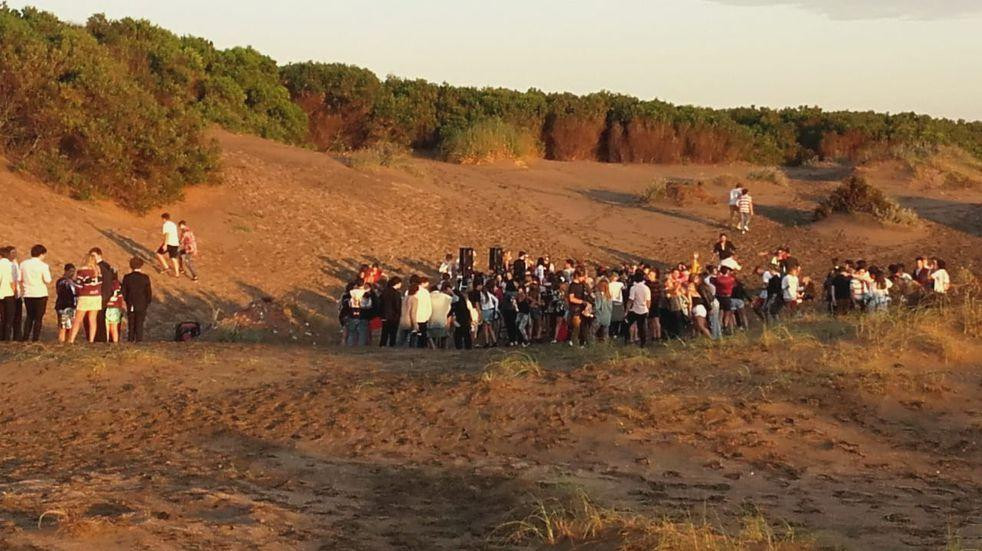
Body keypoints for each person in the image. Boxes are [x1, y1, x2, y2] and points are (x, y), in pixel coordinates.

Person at [19, 244, 52, 342]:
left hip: (28, 293)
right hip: (40, 294)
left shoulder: (23, 264)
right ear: (41, 254)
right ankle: (35, 338)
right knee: (38, 318)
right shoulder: (43, 265)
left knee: (29, 316)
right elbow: (48, 280)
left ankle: (25, 337)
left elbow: (20, 278)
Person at [69, 252, 103, 344]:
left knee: (78, 320)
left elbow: (79, 286)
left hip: (85, 296)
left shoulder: (82, 271)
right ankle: (91, 340)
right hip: (96, 296)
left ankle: (71, 340)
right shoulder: (98, 272)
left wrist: (74, 285)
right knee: (92, 319)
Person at [121, 257, 153, 342]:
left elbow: (124, 291)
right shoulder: (145, 277)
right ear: (141, 266)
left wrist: (126, 300)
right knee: (140, 323)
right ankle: (139, 340)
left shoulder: (127, 277)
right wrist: (147, 302)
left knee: (131, 323)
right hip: (142, 304)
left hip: (131, 303)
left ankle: (130, 339)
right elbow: (148, 292)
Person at [90, 248, 116, 343]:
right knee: (100, 318)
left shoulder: (100, 267)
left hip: (102, 295)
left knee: (99, 318)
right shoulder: (107, 266)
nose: (92, 258)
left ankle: (100, 338)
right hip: (106, 294)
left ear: (99, 255)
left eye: (94, 256)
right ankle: (101, 338)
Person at [625, 272, 651, 347]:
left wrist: (627, 310)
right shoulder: (646, 288)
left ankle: (628, 339)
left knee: (628, 324)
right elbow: (648, 301)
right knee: (641, 327)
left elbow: (631, 300)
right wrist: (648, 309)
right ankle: (643, 342)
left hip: (634, 309)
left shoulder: (634, 288)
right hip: (644, 310)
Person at [567, 268, 592, 347]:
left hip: (584, 308)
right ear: (577, 276)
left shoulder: (584, 285)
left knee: (584, 326)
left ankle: (582, 342)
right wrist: (582, 301)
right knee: (576, 326)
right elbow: (571, 298)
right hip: (576, 308)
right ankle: (573, 340)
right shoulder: (572, 285)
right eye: (581, 276)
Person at [54, 264, 78, 343]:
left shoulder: (72, 282)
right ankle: (62, 341)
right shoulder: (64, 282)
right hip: (65, 306)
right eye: (70, 271)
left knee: (67, 325)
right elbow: (63, 293)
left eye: (73, 271)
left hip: (68, 306)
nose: (72, 273)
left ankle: (65, 340)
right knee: (64, 326)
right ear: (66, 271)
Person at [379, 277, 403, 347]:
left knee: (384, 333)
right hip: (393, 316)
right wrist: (398, 314)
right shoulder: (396, 294)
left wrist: (381, 314)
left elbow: (380, 304)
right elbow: (397, 306)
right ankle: (392, 345)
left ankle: (382, 345)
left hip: (385, 315)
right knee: (393, 333)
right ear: (397, 284)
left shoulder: (384, 292)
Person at [428, 282, 453, 349]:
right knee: (443, 336)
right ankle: (444, 348)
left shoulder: (428, 296)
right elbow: (452, 305)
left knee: (431, 336)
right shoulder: (446, 297)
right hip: (443, 321)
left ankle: (433, 347)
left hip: (430, 321)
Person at [155, 213, 181, 277]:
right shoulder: (173, 224)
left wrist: (165, 244)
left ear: (164, 218)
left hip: (169, 242)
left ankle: (166, 267)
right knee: (173, 258)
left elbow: (167, 234)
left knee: (159, 254)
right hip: (175, 243)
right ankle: (177, 274)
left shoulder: (166, 225)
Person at [0, 246, 16, 341]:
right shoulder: (11, 265)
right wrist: (14, 291)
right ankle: (7, 338)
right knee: (9, 318)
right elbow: (12, 281)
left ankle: (1, 337)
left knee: (2, 317)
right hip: (9, 294)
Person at [104, 275, 126, 344]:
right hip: (115, 308)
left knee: (106, 328)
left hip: (107, 307)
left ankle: (106, 341)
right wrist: (121, 308)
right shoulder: (118, 285)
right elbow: (120, 298)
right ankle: (115, 342)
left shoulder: (106, 284)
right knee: (114, 328)